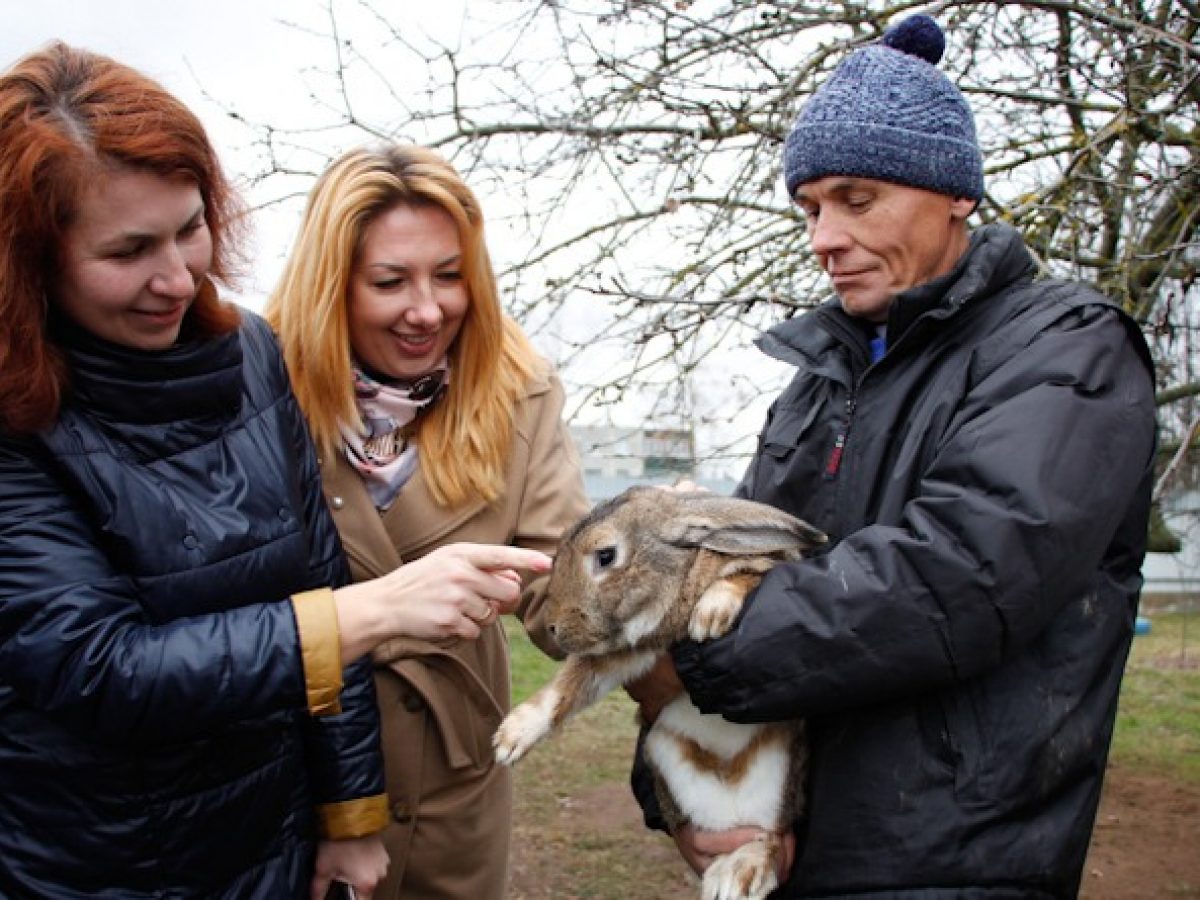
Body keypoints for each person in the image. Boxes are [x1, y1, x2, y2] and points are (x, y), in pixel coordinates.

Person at [0, 43, 549, 900]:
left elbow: (314, 582)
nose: (178, 277)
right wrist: (374, 609)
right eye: (128, 252)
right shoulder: (17, 424)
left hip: (271, 842)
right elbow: (100, 667)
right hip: (102, 864)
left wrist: (351, 814)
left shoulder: (247, 355)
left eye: (190, 227)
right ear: (30, 258)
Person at [627, 14, 1158, 899]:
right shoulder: (818, 379)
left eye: (856, 198)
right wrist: (685, 798)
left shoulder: (1067, 350)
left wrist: (690, 649)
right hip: (787, 851)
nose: (822, 237)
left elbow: (961, 576)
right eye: (809, 208)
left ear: (955, 194)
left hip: (956, 864)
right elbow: (722, 565)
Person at [265, 143, 590, 900]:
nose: (428, 309)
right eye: (390, 281)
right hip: (296, 782)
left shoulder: (518, 388)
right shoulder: (257, 384)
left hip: (453, 780)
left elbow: (563, 587)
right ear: (330, 285)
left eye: (450, 276)